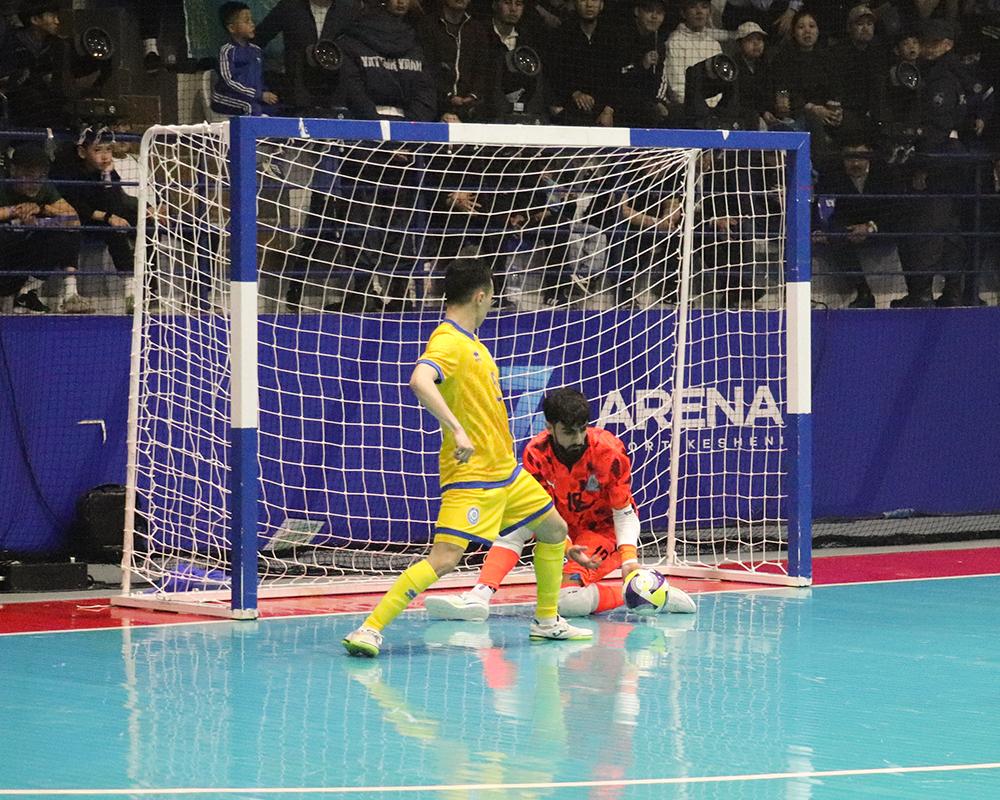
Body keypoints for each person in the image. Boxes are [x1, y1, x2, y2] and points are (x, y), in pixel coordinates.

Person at [342, 259, 594, 657]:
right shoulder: (449, 341)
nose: (492, 302)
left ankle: (547, 621)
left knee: (553, 529)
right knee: (444, 559)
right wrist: (456, 429)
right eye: (492, 295)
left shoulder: (474, 344)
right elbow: (419, 380)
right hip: (472, 476)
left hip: (506, 472)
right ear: (480, 296)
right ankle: (369, 629)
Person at [425, 388, 697, 621]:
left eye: (582, 430)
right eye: (568, 432)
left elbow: (624, 512)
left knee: (567, 603)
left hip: (602, 532)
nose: (577, 439)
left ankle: (648, 592)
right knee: (515, 520)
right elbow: (536, 511)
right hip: (561, 526)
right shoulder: (536, 454)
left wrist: (629, 560)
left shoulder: (609, 452)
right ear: (549, 427)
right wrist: (566, 546)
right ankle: (479, 597)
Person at [812, 143, 897, 308]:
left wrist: (869, 227)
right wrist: (819, 230)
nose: (855, 163)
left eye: (861, 157)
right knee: (835, 236)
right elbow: (824, 208)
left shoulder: (886, 175)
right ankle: (863, 291)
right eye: (850, 158)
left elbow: (895, 210)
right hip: (848, 229)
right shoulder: (831, 176)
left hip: (879, 227)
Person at [0, 142, 81, 313]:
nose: (35, 182)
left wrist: (43, 209)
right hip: (4, 252)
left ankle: (26, 293)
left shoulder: (44, 188)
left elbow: (74, 220)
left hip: (24, 254)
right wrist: (15, 210)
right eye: (29, 175)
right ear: (13, 170)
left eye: (41, 176)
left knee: (66, 233)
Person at [255, 0, 364, 111]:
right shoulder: (289, 7)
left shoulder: (349, 9)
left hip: (336, 92)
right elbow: (258, 39)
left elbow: (359, 47)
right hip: (297, 92)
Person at [417, 0, 492, 122]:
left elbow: (483, 70)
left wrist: (473, 95)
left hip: (469, 108)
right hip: (433, 105)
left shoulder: (477, 29)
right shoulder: (428, 25)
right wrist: (448, 96)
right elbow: (425, 68)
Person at [211, 2, 279, 117]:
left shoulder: (256, 50)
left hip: (252, 97)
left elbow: (259, 79)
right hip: (226, 98)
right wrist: (259, 95)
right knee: (251, 108)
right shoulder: (227, 51)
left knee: (275, 109)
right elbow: (229, 82)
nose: (252, 24)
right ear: (232, 28)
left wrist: (264, 94)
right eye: (247, 21)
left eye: (252, 20)